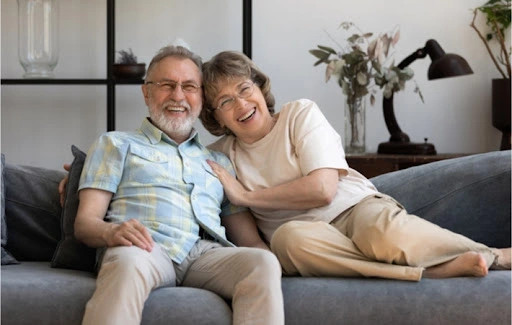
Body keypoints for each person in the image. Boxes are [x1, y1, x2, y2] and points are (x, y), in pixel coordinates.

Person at [199, 50, 511, 282]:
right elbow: (252, 242)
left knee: (382, 235)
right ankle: (433, 271)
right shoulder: (220, 157)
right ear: (215, 117)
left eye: (244, 89)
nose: (240, 104)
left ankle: (495, 256)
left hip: (354, 209)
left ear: (258, 87)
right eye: (225, 102)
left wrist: (247, 196)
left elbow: (322, 190)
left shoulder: (299, 114)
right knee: (287, 240)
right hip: (310, 239)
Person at [70, 45, 284, 325]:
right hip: (144, 247)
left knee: (262, 263)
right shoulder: (115, 144)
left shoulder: (218, 160)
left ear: (201, 97)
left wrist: (278, 264)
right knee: (126, 263)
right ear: (146, 92)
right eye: (167, 85)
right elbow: (85, 224)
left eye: (189, 86)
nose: (178, 96)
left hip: (206, 255)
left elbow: (249, 240)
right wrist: (111, 232)